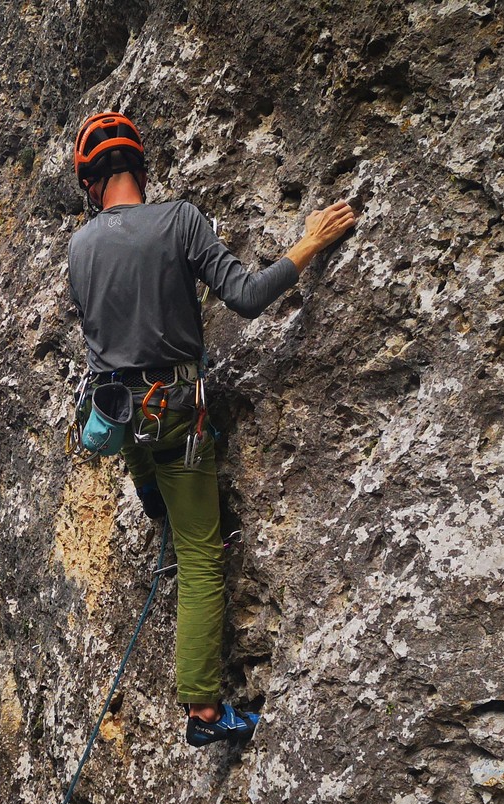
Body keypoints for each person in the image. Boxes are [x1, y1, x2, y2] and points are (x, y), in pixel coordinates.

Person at [67, 111, 359, 748]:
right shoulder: (180, 221)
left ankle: (150, 496)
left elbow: (99, 350)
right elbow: (248, 297)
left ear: (92, 185)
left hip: (124, 418)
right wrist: (307, 243)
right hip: (177, 413)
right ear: (140, 170)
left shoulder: (80, 249)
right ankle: (203, 712)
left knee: (150, 457)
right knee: (201, 559)